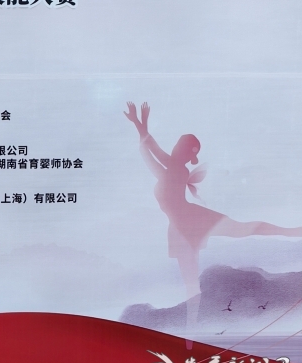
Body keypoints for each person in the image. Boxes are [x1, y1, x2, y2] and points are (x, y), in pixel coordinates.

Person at [124, 102, 302, 336]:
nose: (176, 147)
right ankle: (190, 337)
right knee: (191, 283)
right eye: (177, 144)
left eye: (181, 146)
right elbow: (152, 151)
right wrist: (141, 126)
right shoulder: (173, 168)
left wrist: (141, 127)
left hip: (191, 219)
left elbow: (150, 155)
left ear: (186, 153)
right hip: (179, 227)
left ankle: (292, 231)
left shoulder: (176, 170)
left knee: (241, 230)